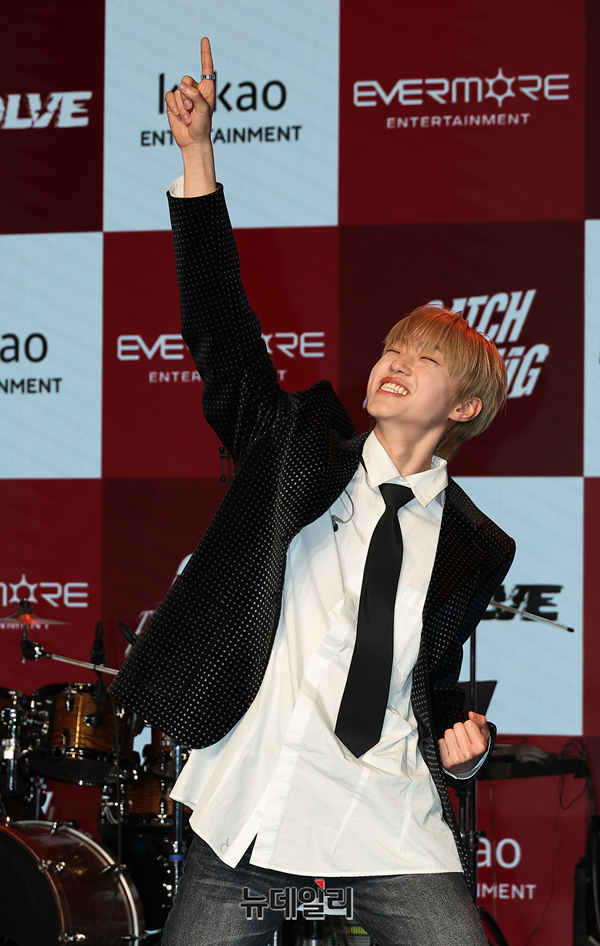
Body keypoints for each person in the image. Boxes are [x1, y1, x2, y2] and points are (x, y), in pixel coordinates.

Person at [109, 37, 515, 946]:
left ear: (466, 406)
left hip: (386, 818)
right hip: (254, 798)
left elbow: (426, 681)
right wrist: (197, 157)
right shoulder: (296, 446)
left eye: (423, 359)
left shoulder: (478, 545)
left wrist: (467, 743)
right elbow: (221, 333)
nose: (393, 363)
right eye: (391, 348)